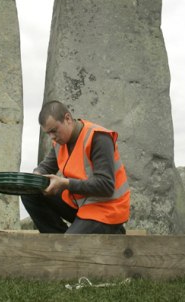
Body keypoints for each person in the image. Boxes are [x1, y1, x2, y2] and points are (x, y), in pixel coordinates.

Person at [22, 100, 130, 234]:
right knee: (30, 193)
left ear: (67, 119)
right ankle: (57, 240)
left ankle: (111, 229)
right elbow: (45, 167)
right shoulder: (59, 143)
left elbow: (106, 186)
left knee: (70, 244)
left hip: (107, 209)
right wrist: (36, 175)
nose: (52, 137)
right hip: (81, 205)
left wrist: (65, 183)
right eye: (48, 133)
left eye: (54, 131)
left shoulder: (98, 137)